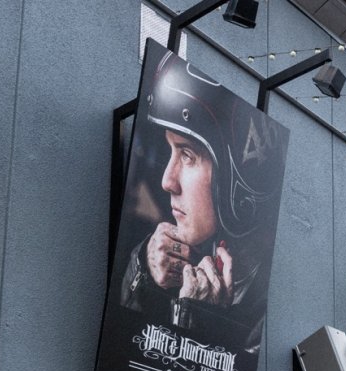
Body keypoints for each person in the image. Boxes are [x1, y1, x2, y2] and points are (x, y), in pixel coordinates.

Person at [118, 50, 286, 353]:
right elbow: (120, 354)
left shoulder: (264, 316)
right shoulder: (178, 256)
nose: (167, 181)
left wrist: (197, 318)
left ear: (236, 178)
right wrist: (143, 269)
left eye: (187, 155)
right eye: (171, 152)